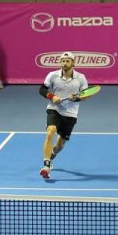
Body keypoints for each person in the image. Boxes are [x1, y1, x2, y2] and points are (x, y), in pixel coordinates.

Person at [37, 51, 89, 179]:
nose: (64, 63)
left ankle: (52, 155)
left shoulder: (81, 78)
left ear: (73, 63)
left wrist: (75, 98)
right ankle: (46, 166)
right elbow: (42, 89)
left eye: (67, 61)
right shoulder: (52, 75)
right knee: (50, 132)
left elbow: (85, 96)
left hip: (70, 114)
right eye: (63, 61)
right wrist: (52, 96)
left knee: (60, 145)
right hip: (54, 109)